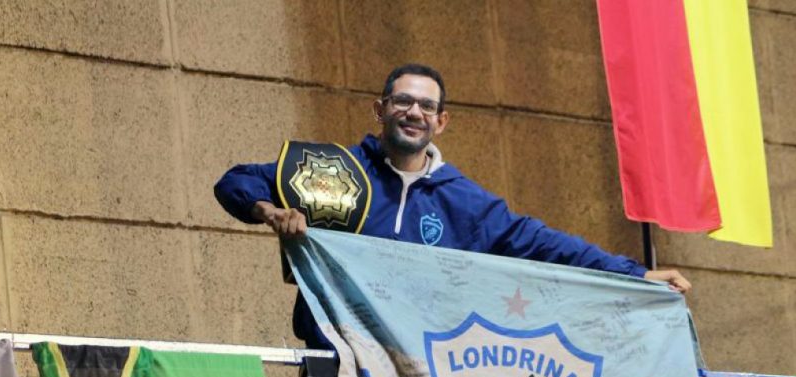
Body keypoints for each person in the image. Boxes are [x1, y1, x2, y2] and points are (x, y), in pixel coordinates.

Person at [214, 62, 691, 354]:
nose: (413, 112)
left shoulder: (464, 203)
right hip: (335, 371)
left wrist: (635, 275)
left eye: (426, 106)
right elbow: (232, 182)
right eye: (402, 101)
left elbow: (546, 246)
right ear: (379, 111)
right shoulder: (333, 170)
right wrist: (270, 211)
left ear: (441, 122)